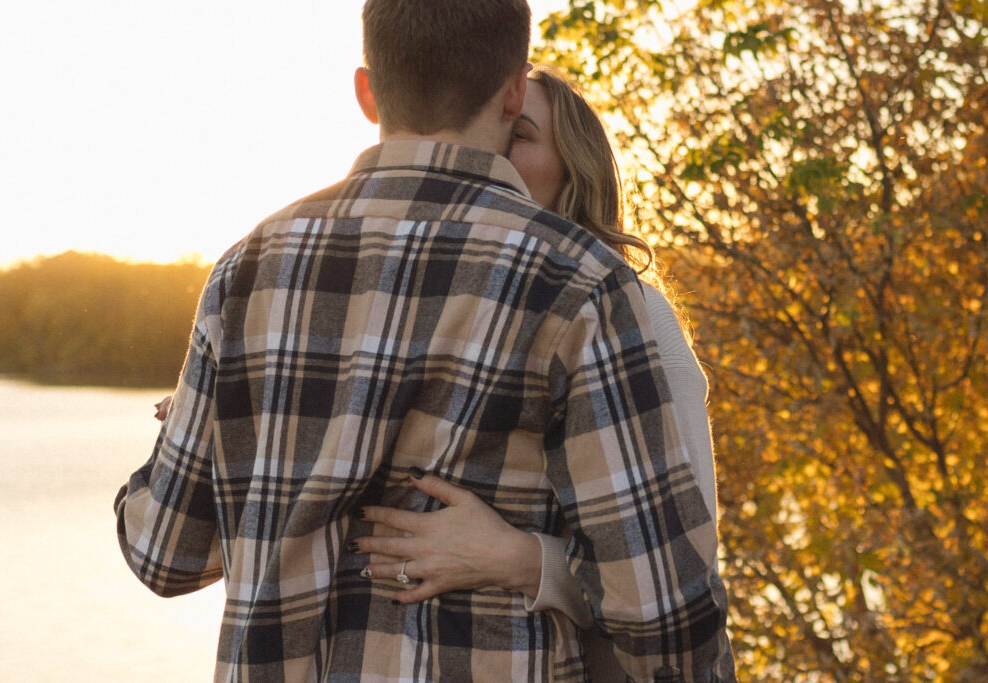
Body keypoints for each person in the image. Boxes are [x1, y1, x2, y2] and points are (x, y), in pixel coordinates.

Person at [116, 1, 733, 681]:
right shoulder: (581, 283)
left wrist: (198, 443)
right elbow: (666, 615)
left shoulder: (248, 268)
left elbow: (163, 552)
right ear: (511, 90)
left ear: (367, 90)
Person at [349, 66, 723, 682]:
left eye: (520, 134)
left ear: (573, 170)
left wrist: (524, 559)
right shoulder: (434, 301)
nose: (493, 152)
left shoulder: (636, 314)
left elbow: (684, 570)